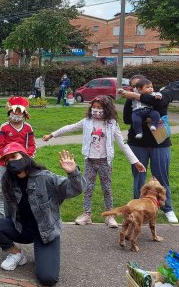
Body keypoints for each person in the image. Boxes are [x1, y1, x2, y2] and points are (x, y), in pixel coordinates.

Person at [0, 144, 84, 287]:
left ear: (25, 157)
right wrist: (6, 231)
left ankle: (43, 255)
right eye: (7, 160)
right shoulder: (8, 182)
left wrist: (73, 173)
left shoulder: (45, 177)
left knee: (47, 278)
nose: (11, 162)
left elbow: (75, 189)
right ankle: (17, 254)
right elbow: (8, 211)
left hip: (45, 233)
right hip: (22, 229)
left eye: (14, 156)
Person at [43, 95, 145, 227]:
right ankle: (86, 214)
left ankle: (110, 216)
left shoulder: (112, 124)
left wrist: (135, 161)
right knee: (87, 188)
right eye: (94, 107)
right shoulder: (87, 121)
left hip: (105, 162)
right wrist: (52, 134)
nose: (96, 110)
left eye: (99, 108)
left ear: (107, 109)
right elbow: (70, 127)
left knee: (107, 189)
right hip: (90, 161)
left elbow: (123, 143)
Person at [120, 74, 177, 223]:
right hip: (137, 143)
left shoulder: (160, 95)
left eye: (140, 85)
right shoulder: (131, 99)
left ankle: (167, 208)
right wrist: (144, 116)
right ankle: (138, 206)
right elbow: (127, 119)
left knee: (161, 176)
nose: (136, 89)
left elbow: (161, 105)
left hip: (160, 142)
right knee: (139, 177)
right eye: (134, 87)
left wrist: (135, 96)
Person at [0, 96, 36, 218]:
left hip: (23, 164)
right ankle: (0, 212)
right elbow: (0, 146)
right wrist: (8, 159)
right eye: (14, 111)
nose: (16, 114)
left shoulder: (28, 128)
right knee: (3, 187)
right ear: (9, 111)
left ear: (24, 113)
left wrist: (25, 160)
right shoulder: (4, 127)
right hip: (6, 163)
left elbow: (32, 145)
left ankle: (20, 211)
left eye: (19, 112)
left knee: (23, 187)